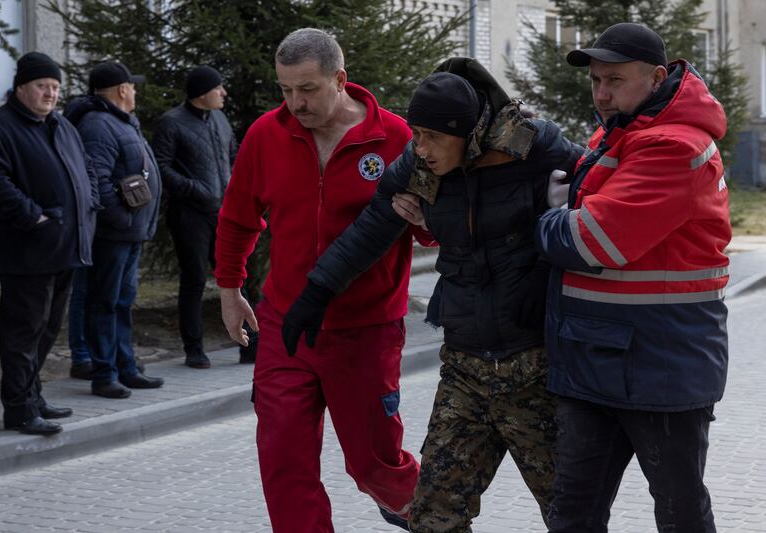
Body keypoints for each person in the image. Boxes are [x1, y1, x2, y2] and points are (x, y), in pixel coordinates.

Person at [283, 59, 583, 531]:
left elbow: (604, 190)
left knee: (572, 516)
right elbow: (373, 225)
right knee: (434, 518)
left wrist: (551, 258)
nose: (418, 148)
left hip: (535, 369)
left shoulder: (531, 146)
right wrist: (317, 291)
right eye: (415, 134)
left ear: (468, 132)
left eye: (431, 137)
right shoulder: (419, 163)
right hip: (465, 368)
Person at [214, 28, 432, 532]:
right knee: (283, 459)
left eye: (308, 89)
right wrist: (230, 290)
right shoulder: (267, 135)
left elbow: (433, 234)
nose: (296, 103)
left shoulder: (396, 137)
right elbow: (238, 218)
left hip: (366, 330)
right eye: (285, 90)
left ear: (340, 79)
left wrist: (423, 220)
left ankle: (435, 516)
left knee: (374, 464)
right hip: (285, 327)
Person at [535, 23, 731, 532]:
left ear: (656, 77)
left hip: (660, 368)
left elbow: (591, 242)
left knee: (679, 512)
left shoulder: (673, 146)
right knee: (572, 515)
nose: (602, 93)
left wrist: (549, 217)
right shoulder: (623, 129)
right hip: (596, 361)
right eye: (596, 80)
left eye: (615, 80)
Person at [0, 52, 97, 434]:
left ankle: (34, 396)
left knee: (47, 329)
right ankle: (19, 408)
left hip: (65, 247)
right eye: (43, 86)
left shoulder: (59, 125)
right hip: (27, 250)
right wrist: (33, 216)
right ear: (22, 87)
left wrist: (91, 206)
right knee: (23, 331)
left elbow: (84, 167)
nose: (51, 94)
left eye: (55, 87)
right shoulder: (1, 127)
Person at [63, 61, 164, 399]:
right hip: (114, 235)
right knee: (104, 303)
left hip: (129, 233)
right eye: (132, 86)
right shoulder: (99, 125)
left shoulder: (121, 122)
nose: (135, 91)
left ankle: (126, 367)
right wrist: (122, 219)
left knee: (121, 302)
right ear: (122, 90)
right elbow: (98, 181)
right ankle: (104, 373)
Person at [153, 65, 257, 368]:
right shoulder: (171, 123)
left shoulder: (220, 119)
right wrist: (194, 189)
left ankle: (250, 346)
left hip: (224, 213)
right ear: (201, 93)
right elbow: (161, 167)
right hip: (190, 215)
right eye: (218, 88)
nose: (224, 93)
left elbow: (234, 155)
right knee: (195, 280)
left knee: (238, 277)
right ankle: (194, 349)